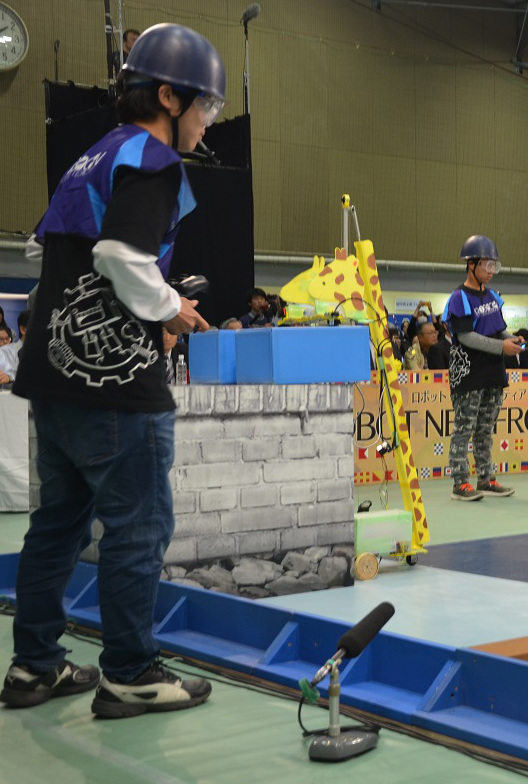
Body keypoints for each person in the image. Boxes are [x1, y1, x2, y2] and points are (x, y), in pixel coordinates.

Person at [2, 23, 221, 718]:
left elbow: (49, 259)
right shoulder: (152, 161)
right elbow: (122, 258)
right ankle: (129, 671)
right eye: (206, 106)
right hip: (116, 385)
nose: (208, 121)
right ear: (169, 96)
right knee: (138, 527)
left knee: (57, 526)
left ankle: (34, 666)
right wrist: (171, 309)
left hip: (52, 375)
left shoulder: (91, 158)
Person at [442, 235, 521, 501]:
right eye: (486, 265)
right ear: (471, 264)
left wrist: (511, 339)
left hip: (492, 372)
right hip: (469, 373)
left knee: (485, 428)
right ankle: (460, 483)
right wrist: (502, 347)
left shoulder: (492, 296)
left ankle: (486, 478)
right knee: (464, 427)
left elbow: (498, 330)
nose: (490, 271)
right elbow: (466, 337)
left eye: (493, 266)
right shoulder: (459, 298)